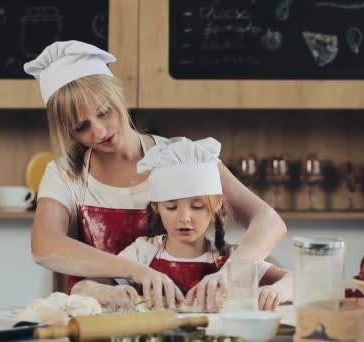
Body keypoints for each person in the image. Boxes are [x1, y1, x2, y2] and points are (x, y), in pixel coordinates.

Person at [23, 40, 287, 311]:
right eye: (81, 127)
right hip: (96, 317)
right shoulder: (66, 173)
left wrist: (232, 272)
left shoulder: (182, 156)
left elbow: (269, 221)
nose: (99, 132)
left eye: (104, 112)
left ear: (118, 97)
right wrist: (137, 270)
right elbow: (44, 245)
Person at [113, 137, 292, 311]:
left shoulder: (230, 258)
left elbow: (297, 281)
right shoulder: (141, 253)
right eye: (171, 207)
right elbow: (91, 285)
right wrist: (111, 292)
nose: (184, 218)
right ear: (156, 207)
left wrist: (277, 291)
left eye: (197, 207)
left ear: (216, 205)